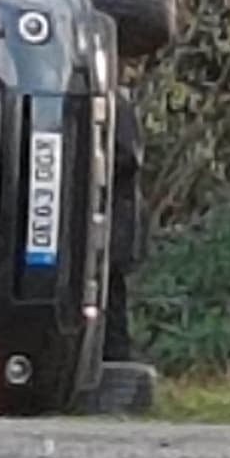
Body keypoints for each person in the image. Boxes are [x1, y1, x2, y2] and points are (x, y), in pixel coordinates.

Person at [105, 87, 146, 363]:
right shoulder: (116, 102)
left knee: (112, 295)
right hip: (113, 220)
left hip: (115, 221)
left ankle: (117, 362)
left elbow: (127, 159)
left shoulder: (116, 104)